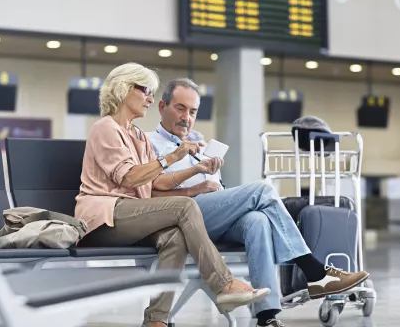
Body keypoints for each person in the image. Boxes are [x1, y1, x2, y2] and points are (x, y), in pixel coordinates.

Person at [148, 78, 370, 327]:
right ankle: (314, 270)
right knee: (262, 190)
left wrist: (216, 182)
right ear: (162, 107)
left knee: (257, 220)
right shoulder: (148, 143)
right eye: (180, 108)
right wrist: (197, 188)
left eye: (193, 111)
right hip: (181, 218)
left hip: (212, 215)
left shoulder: (199, 142)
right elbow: (148, 197)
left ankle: (266, 316)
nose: (186, 117)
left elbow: (216, 188)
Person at [75, 64, 270, 327]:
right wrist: (173, 157)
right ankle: (223, 284)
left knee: (175, 238)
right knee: (185, 207)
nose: (150, 98)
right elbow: (129, 177)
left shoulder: (139, 137)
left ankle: (156, 320)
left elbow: (153, 183)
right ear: (123, 89)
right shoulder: (106, 128)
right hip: (104, 217)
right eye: (145, 90)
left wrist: (196, 170)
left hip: (132, 214)